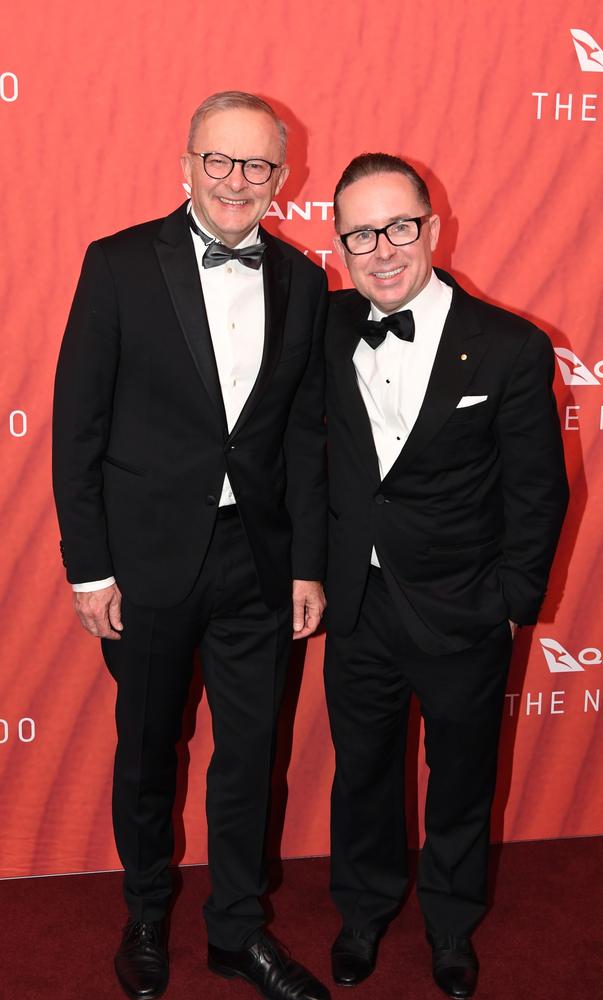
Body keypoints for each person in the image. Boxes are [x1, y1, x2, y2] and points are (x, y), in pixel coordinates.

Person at [52, 91, 330, 1000]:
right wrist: (89, 568)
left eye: (256, 166)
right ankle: (144, 914)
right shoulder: (120, 264)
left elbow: (299, 435)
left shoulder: (303, 280)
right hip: (144, 564)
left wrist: (305, 563)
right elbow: (78, 428)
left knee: (250, 757)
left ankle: (235, 932)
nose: (235, 182)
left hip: (255, 560)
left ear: (283, 179)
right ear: (185, 164)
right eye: (219, 160)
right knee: (147, 754)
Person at [323, 153, 569, 999]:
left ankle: (452, 924)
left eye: (398, 226)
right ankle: (362, 910)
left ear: (433, 228)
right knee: (361, 771)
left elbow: (539, 493)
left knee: (462, 777)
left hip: (465, 608)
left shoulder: (508, 346)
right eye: (361, 233)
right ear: (340, 246)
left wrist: (511, 607)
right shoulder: (322, 330)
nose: (382, 249)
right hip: (358, 602)